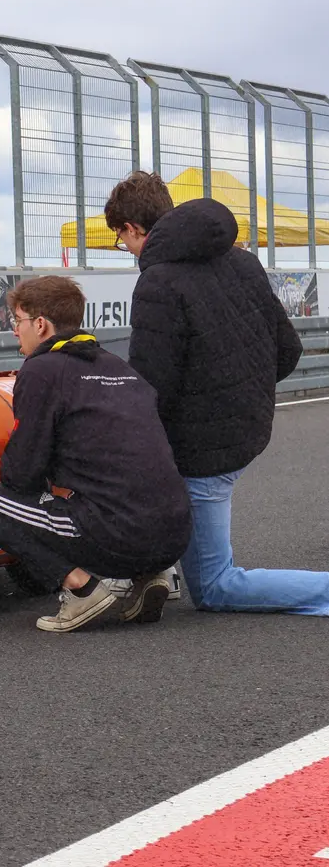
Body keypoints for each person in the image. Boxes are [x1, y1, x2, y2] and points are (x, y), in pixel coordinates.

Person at [105, 171, 329, 615]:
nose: (126, 250)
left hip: (205, 452)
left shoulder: (158, 282)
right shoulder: (241, 260)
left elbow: (153, 389)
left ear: (133, 229)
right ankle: (159, 565)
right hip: (248, 427)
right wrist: (243, 394)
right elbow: (289, 348)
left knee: (215, 586)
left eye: (120, 240)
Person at [0, 276, 192, 632]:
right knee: (113, 492)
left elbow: (21, 474)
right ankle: (152, 576)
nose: (14, 333)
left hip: (120, 535)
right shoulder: (119, 366)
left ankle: (82, 589)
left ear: (40, 325)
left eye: (17, 322)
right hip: (176, 532)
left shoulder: (41, 371)